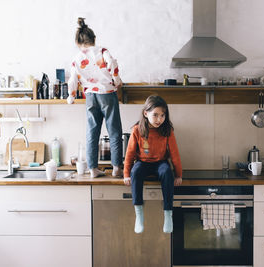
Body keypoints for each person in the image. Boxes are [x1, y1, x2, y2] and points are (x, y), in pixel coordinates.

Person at [67, 18, 123, 178]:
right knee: (114, 131)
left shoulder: (76, 58)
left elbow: (73, 80)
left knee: (92, 132)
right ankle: (116, 168)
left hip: (90, 96)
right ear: (94, 39)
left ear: (78, 42)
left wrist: (71, 96)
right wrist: (116, 80)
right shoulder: (102, 51)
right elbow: (112, 64)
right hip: (107, 94)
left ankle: (92, 169)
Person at [124, 95, 182, 234]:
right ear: (146, 113)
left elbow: (174, 154)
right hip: (142, 163)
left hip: (160, 163)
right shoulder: (137, 130)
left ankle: (168, 214)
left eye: (162, 115)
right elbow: (130, 153)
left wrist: (178, 174)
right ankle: (139, 214)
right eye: (155, 115)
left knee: (167, 172)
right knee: (135, 172)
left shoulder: (167, 130)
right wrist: (126, 174)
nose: (159, 119)